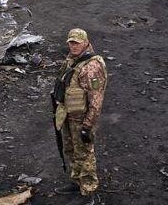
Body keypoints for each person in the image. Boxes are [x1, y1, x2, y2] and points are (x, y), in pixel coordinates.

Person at [52, 29, 107, 205]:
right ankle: (77, 182)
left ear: (86, 42)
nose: (73, 45)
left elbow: (96, 101)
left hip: (82, 120)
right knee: (71, 150)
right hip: (69, 116)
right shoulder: (72, 60)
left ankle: (89, 192)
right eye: (70, 42)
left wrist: (87, 126)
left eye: (77, 42)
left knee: (85, 154)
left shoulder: (92, 67)